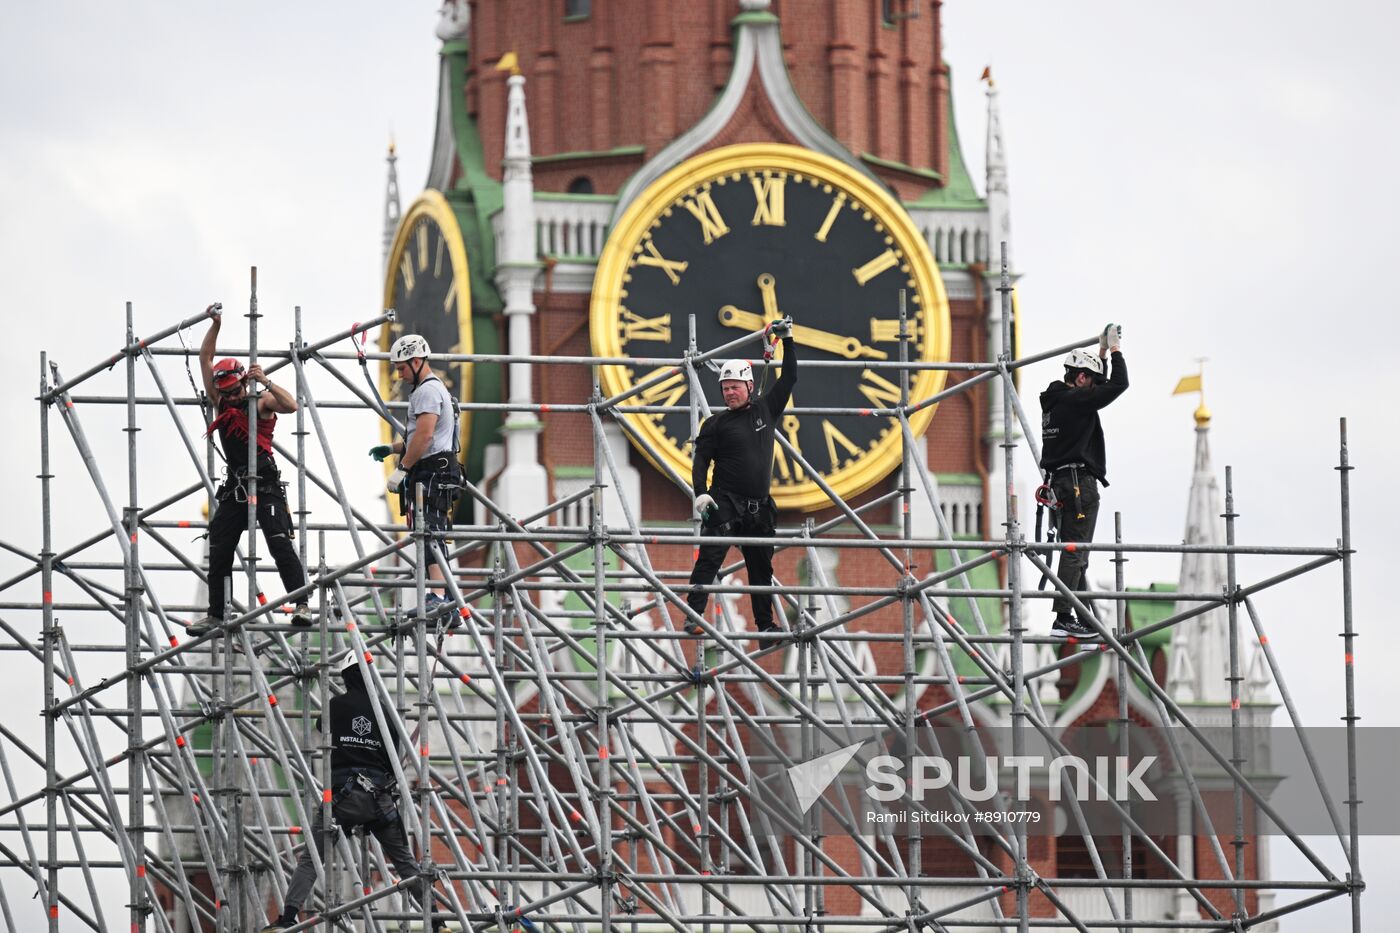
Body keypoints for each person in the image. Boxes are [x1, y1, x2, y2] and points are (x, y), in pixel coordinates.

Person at [260, 654, 450, 933]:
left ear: (347, 678)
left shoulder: (336, 705)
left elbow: (322, 728)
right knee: (407, 863)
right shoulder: (385, 713)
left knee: (312, 859)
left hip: (341, 799)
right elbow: (392, 758)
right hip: (378, 799)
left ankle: (288, 918)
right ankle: (438, 922)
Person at [189, 309, 310, 636]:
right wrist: (216, 325)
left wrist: (266, 380)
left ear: (244, 382)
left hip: (266, 481)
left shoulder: (259, 402)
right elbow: (205, 357)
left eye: (235, 390)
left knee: (278, 542)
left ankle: (301, 603)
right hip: (237, 485)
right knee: (220, 543)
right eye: (226, 392)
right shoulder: (221, 402)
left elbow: (291, 405)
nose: (231, 397)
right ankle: (216, 613)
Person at [686, 320, 796, 635]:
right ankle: (693, 615)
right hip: (725, 500)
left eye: (735, 387)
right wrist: (700, 493)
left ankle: (765, 626)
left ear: (749, 386)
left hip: (759, 506)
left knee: (761, 568)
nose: (729, 393)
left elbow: (789, 377)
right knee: (709, 558)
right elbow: (701, 461)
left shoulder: (765, 410)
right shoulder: (715, 424)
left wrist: (788, 342)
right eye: (725, 388)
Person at [1038, 326, 1128, 640]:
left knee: (1076, 557)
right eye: (1090, 379)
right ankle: (1063, 616)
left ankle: (1084, 620)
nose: (1093, 386)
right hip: (1078, 485)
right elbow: (1118, 384)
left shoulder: (1057, 400)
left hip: (1060, 485)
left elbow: (1099, 386)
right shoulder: (1077, 401)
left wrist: (1100, 354)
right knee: (1075, 553)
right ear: (1080, 379)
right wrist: (1115, 350)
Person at [368, 334, 461, 615]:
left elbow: (424, 437)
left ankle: (439, 597)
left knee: (430, 533)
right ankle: (441, 597)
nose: (399, 373)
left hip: (433, 472)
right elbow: (422, 438)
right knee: (428, 534)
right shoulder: (429, 390)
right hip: (436, 470)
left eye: (402, 367)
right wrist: (394, 448)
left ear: (417, 361)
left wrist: (403, 468)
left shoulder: (427, 392)